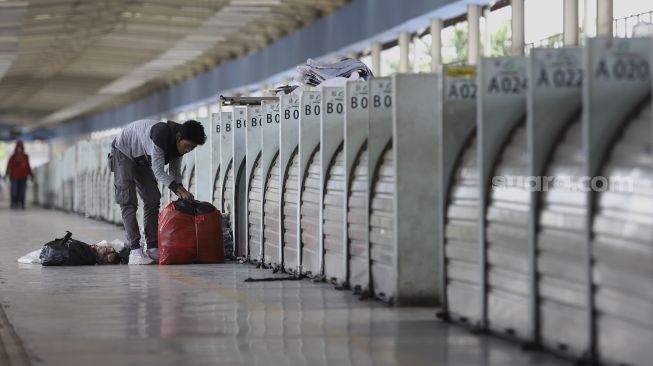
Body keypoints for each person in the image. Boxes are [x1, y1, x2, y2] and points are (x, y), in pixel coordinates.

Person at [111, 119, 206, 265]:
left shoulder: (179, 147)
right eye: (188, 146)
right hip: (123, 152)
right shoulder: (160, 135)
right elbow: (158, 170)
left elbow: (175, 172)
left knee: (152, 198)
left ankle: (152, 247)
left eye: (192, 148)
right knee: (128, 201)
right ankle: (135, 250)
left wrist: (181, 189)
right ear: (179, 137)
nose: (188, 150)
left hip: (140, 158)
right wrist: (178, 189)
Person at [5, 140, 34, 209]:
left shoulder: (26, 156)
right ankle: (14, 203)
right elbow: (9, 166)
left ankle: (22, 204)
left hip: (23, 176)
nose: (19, 149)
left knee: (22, 191)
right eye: (18, 147)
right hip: (14, 177)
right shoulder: (13, 157)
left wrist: (31, 174)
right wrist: (6, 174)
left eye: (20, 147)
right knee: (14, 191)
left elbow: (28, 166)